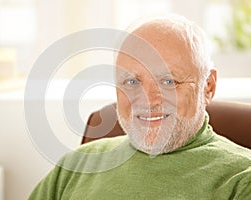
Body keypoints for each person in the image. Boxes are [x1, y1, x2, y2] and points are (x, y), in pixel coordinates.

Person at [29, 14, 251, 199]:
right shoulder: (76, 164)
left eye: (168, 82)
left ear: (208, 86)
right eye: (131, 82)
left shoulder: (242, 180)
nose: (147, 99)